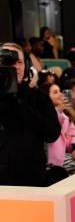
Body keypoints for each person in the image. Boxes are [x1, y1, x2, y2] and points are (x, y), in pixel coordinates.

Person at [0, 42, 61, 186]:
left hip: (32, 184)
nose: (14, 66)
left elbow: (52, 134)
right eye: (6, 62)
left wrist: (20, 105)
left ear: (26, 66)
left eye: (19, 62)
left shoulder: (39, 98)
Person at [43, 82, 75, 174]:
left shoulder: (64, 115)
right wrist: (58, 110)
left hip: (62, 159)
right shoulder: (42, 113)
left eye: (59, 91)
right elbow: (51, 126)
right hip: (49, 163)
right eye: (55, 92)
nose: (60, 94)